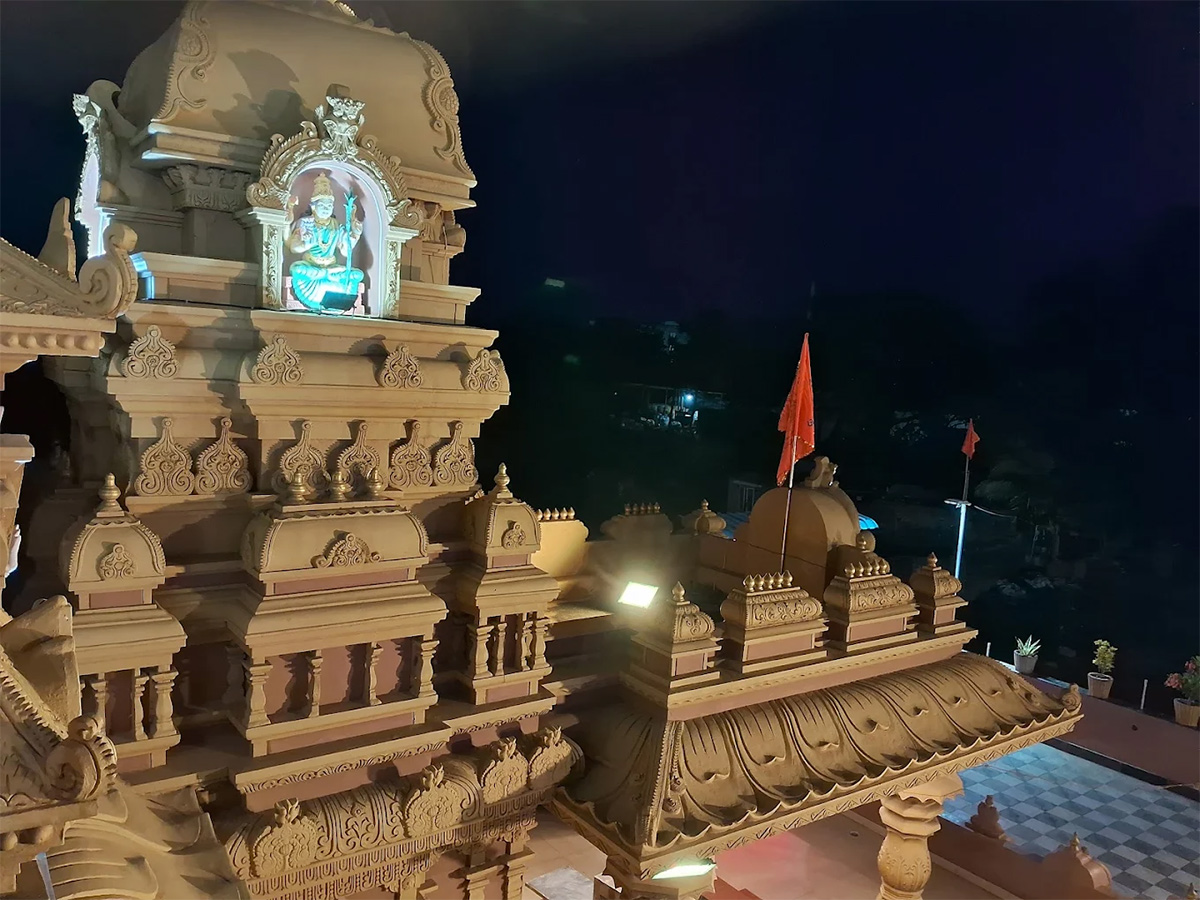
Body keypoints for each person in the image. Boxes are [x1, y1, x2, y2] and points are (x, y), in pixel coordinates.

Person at [287, 172, 364, 312]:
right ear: (314, 207)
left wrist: (355, 234)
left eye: (329, 206)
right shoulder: (305, 223)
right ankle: (326, 277)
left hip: (331, 267)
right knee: (297, 269)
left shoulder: (336, 225)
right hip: (312, 266)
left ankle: (328, 276)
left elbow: (345, 252)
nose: (326, 209)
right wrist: (308, 244)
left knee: (357, 274)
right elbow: (293, 247)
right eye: (322, 205)